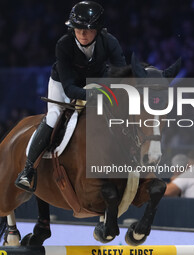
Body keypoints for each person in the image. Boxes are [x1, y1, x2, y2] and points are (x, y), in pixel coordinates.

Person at [15, 1, 127, 191]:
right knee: (54, 115)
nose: (82, 33)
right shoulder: (64, 44)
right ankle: (28, 170)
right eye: (77, 28)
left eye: (87, 29)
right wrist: (98, 95)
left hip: (95, 81)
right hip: (64, 83)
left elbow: (122, 72)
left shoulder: (110, 42)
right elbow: (69, 89)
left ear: (98, 30)